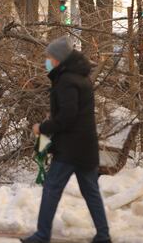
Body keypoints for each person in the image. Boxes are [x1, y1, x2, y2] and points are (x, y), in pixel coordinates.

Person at [20, 36, 111, 243]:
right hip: (85, 146)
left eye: (49, 57)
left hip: (71, 148)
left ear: (59, 60)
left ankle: (42, 235)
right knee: (91, 191)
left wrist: (42, 127)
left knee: (51, 188)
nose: (47, 61)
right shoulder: (79, 78)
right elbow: (73, 113)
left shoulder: (67, 81)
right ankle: (103, 235)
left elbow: (68, 117)